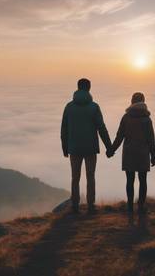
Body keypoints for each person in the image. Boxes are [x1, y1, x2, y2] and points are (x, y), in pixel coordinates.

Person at [61, 78, 112, 214]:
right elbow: (101, 128)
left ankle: (75, 206)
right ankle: (90, 206)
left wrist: (65, 147)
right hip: (90, 148)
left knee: (75, 177)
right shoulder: (94, 107)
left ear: (78, 88)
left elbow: (64, 129)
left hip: (74, 148)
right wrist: (109, 146)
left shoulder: (69, 107)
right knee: (91, 177)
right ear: (89, 88)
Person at [108, 92, 155, 213]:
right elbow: (151, 139)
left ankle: (130, 207)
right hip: (143, 153)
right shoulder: (147, 119)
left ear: (132, 101)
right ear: (143, 101)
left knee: (130, 181)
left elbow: (119, 136)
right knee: (143, 180)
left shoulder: (126, 117)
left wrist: (111, 150)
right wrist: (154, 155)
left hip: (129, 153)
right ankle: (141, 207)